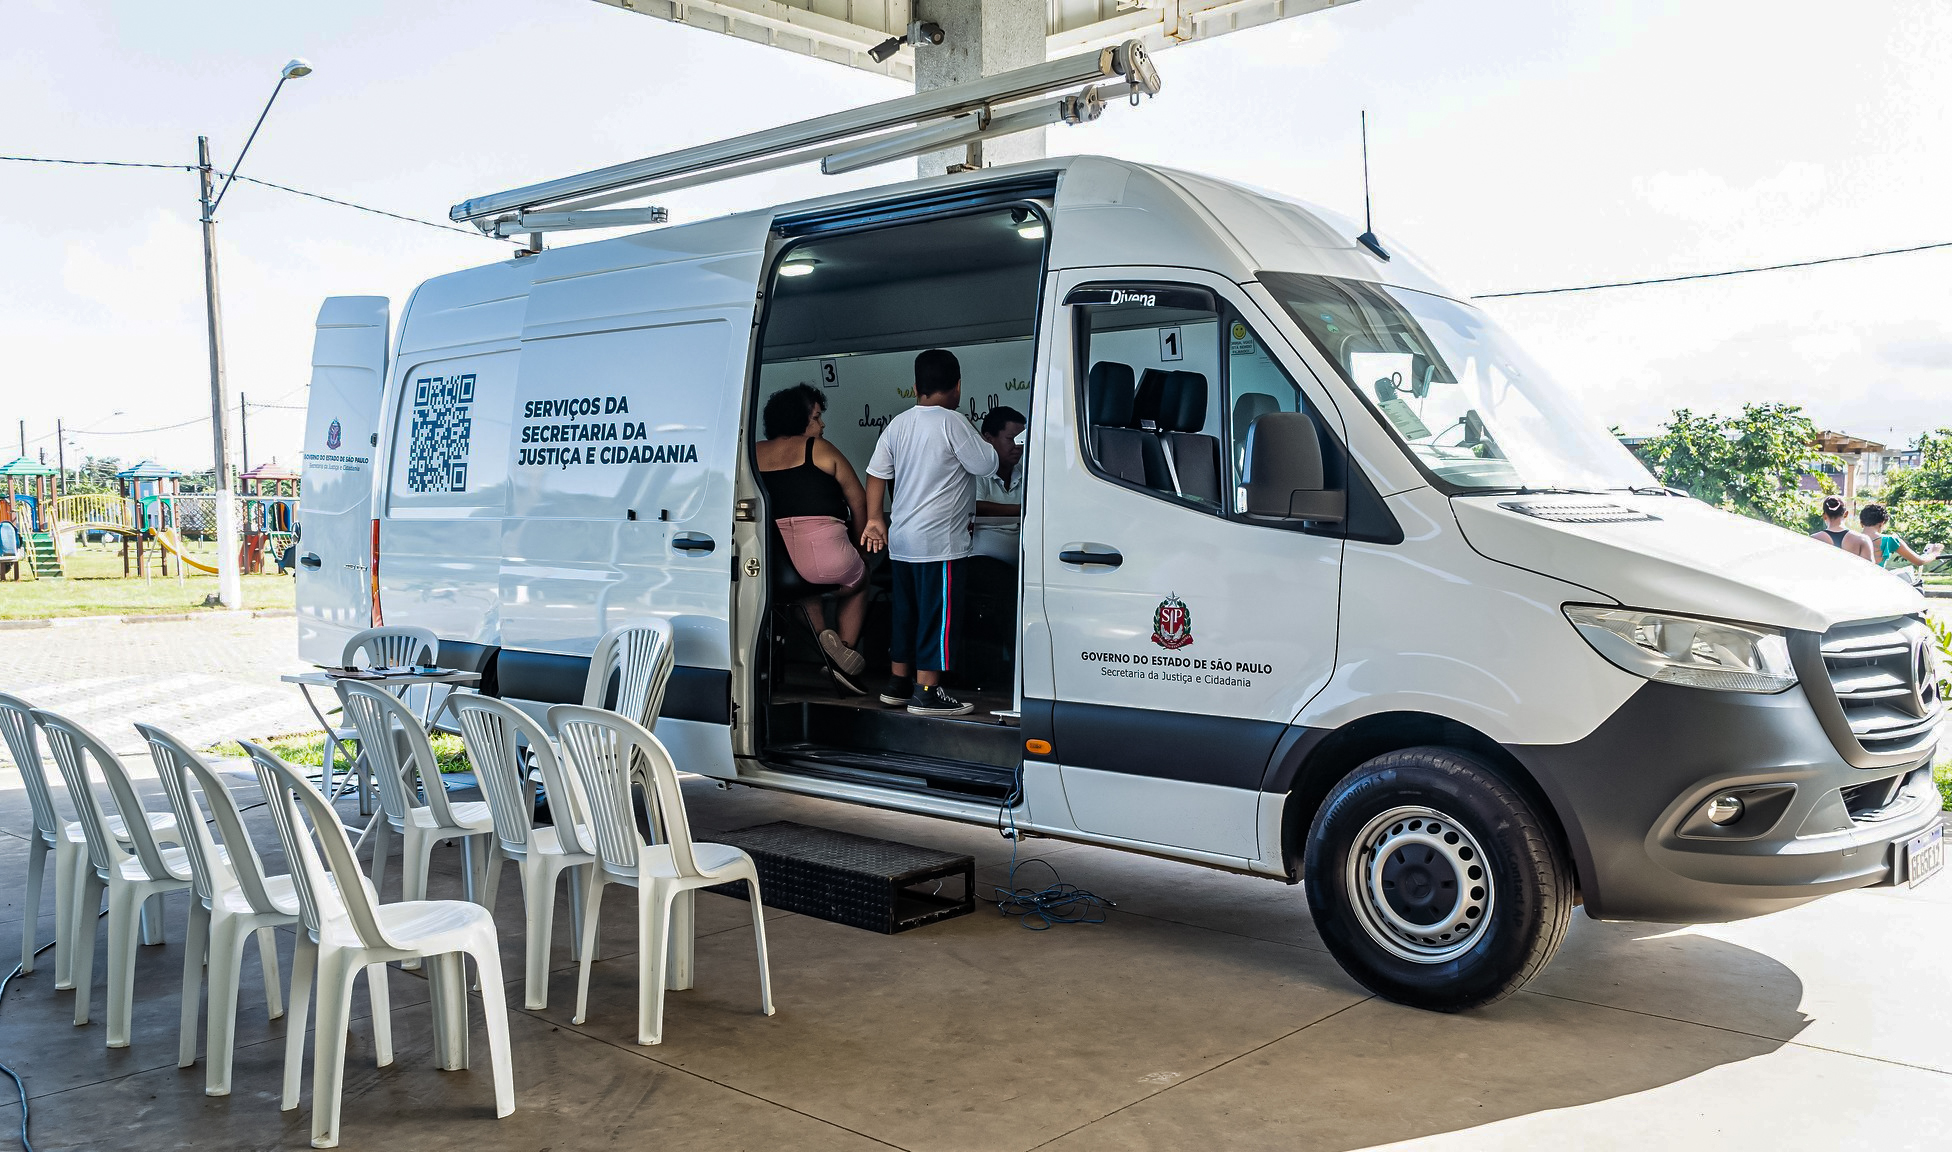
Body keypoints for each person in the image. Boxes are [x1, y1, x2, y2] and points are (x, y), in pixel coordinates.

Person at [861, 349, 997, 717]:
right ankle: (927, 692)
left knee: (905, 613)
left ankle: (898, 683)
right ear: (957, 387)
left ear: (916, 387)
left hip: (902, 540)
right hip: (940, 543)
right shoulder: (953, 422)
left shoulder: (898, 424)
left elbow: (876, 473)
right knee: (937, 617)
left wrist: (874, 519)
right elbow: (985, 464)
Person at [756, 383, 872, 694]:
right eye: (816, 418)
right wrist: (861, 549)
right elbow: (859, 502)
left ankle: (823, 637)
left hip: (774, 564)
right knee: (860, 579)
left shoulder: (752, 453)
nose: (821, 426)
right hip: (827, 555)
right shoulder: (820, 449)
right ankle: (841, 654)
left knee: (803, 591)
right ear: (798, 419)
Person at [969, 406, 1026, 564]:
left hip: (1024, 569)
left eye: (1021, 440)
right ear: (989, 439)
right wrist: (1021, 510)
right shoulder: (976, 472)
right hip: (982, 564)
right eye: (1011, 439)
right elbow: (974, 506)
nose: (1018, 446)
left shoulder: (1026, 473)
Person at [1858, 503, 1943, 583]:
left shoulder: (1852, 539)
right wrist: (1935, 553)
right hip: (1877, 584)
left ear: (1861, 523)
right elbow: (1919, 561)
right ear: (1882, 523)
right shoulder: (1890, 540)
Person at [1810, 495, 1874, 561]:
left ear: (1824, 516)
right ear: (1846, 514)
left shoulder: (1814, 539)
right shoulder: (1862, 539)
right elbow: (1870, 566)